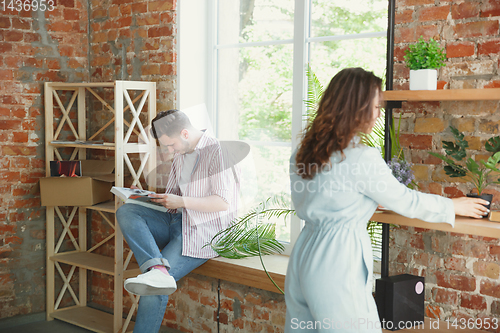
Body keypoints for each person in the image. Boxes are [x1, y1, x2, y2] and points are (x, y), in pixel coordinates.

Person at [285, 67, 489, 333]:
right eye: (376, 106)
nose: (379, 114)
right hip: (336, 260)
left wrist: (363, 201)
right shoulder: (360, 157)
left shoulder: (304, 153)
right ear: (357, 108)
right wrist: (452, 205)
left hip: (303, 255)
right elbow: (405, 201)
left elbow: (329, 196)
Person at [117, 109, 237, 333]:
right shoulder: (181, 153)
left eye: (171, 145)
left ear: (184, 133)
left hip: (203, 231)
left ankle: (157, 275)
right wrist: (146, 197)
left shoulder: (217, 151)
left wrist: (180, 201)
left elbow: (222, 202)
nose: (170, 151)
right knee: (127, 211)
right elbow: (172, 199)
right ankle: (157, 269)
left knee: (152, 288)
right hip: (176, 221)